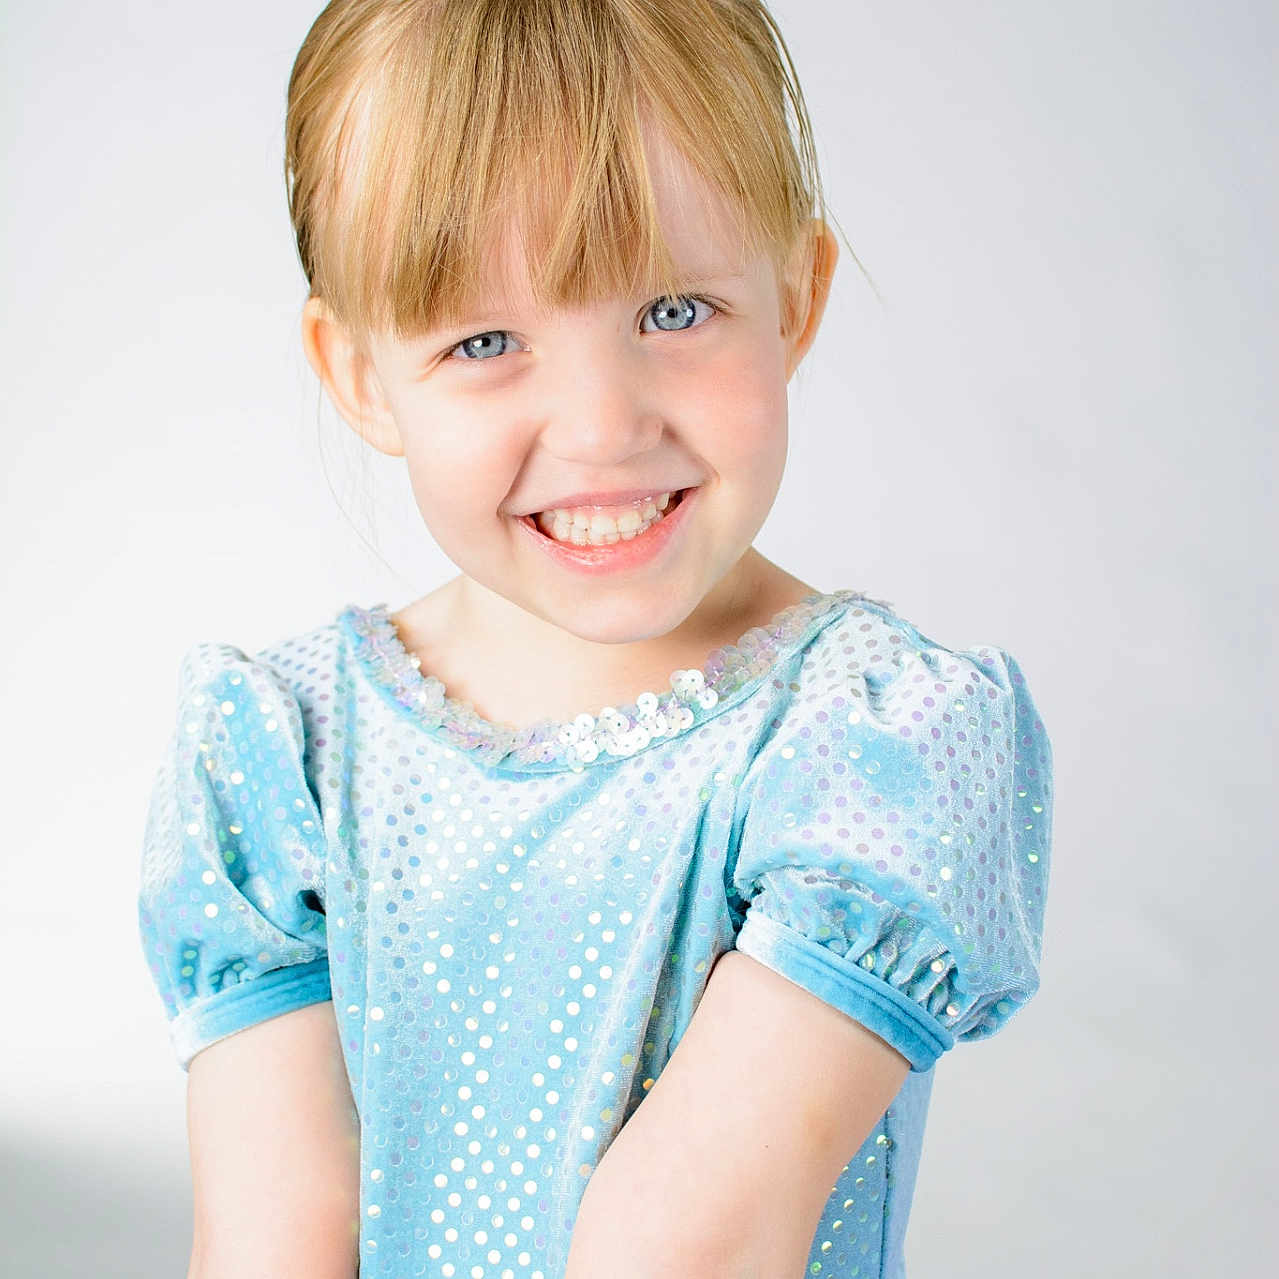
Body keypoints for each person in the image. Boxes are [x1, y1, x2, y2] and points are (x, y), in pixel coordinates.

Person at [137, 1, 1055, 1275]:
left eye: (674, 311)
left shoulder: (870, 741)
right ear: (356, 376)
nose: (600, 426)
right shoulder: (288, 753)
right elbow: (271, 1244)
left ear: (795, 293)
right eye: (486, 340)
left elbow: (686, 1247)